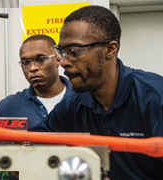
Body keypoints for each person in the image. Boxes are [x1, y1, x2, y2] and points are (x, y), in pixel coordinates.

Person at [31, 6, 163, 179]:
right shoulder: (75, 104)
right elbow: (33, 144)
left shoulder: (154, 99)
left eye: (74, 51)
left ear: (110, 49)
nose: (63, 62)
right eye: (62, 52)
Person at [0, 34, 73, 128]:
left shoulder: (83, 100)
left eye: (41, 60)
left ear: (58, 60)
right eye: (25, 63)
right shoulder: (9, 106)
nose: (32, 68)